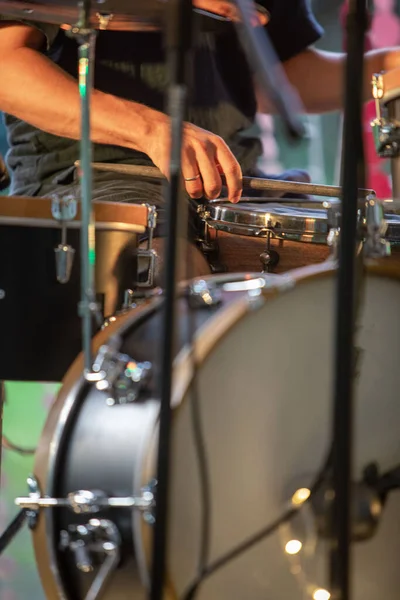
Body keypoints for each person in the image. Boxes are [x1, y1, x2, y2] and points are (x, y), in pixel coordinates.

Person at [0, 0, 399, 281]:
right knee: (172, 277)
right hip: (99, 173)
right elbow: (7, 65)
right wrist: (153, 129)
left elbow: (280, 74)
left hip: (234, 180)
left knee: (368, 261)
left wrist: (388, 68)